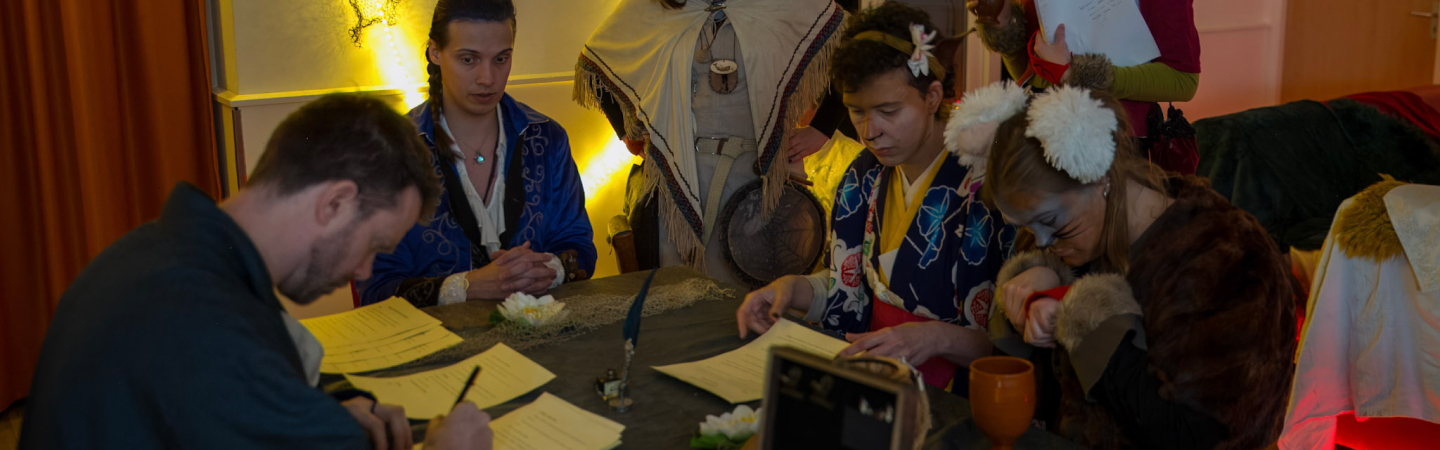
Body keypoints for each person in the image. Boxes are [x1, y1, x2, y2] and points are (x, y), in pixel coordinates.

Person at [19, 94, 491, 450]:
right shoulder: (201, 320)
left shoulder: (172, 255)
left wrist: (325, 403)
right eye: (374, 244)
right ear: (334, 203)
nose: (366, 268)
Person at [955, 82, 1295, 449]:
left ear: (1099, 176)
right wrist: (1026, 300)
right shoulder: (1065, 241)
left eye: (1052, 223)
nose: (1041, 242)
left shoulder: (1226, 261)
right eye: (1027, 228)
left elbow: (1201, 437)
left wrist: (1088, 322)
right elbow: (1028, 408)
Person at [736, 3, 1015, 390]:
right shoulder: (861, 178)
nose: (870, 131)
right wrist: (791, 290)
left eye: (888, 111)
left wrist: (937, 337)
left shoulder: (990, 185)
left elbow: (1016, 342)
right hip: (873, 382)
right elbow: (851, 288)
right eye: (856, 111)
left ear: (932, 96)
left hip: (956, 395)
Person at [575, 0, 848, 287]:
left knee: (755, 300)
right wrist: (629, 133)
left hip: (759, 180)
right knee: (682, 296)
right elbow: (594, 62)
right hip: (678, 178)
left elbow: (851, 47)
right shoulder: (652, 7)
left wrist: (822, 129)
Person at [361, 0, 596, 308]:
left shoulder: (547, 138)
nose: (488, 78)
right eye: (469, 59)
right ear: (435, 52)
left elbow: (580, 249)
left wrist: (551, 268)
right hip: (434, 350)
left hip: (540, 340)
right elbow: (376, 289)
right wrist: (466, 286)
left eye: (501, 59)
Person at [968, 0, 1201, 172]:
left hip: (1113, 152)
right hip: (1037, 139)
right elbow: (1031, 74)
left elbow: (1182, 80)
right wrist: (1004, 22)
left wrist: (1076, 74)